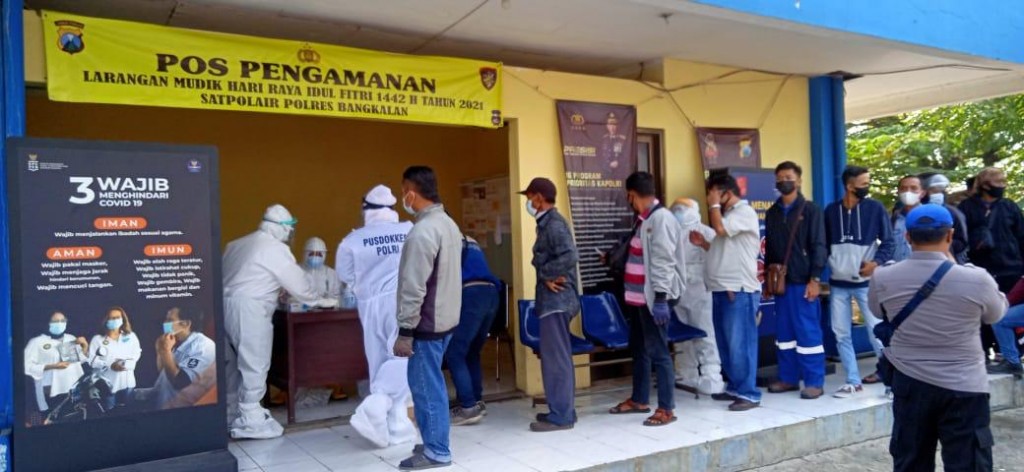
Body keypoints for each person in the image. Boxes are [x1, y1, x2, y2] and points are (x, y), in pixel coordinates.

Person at [869, 204, 1005, 471]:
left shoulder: (883, 276)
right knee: (969, 463)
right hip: (964, 385)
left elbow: (877, 310)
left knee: (911, 461)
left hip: (910, 383)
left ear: (907, 237)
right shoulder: (977, 279)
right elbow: (996, 314)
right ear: (950, 236)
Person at [222, 204, 338, 439]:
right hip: (251, 309)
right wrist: (319, 301)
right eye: (289, 229)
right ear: (282, 229)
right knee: (255, 363)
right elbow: (300, 286)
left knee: (232, 365)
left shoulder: (235, 245)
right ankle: (250, 418)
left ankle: (231, 414)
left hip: (224, 307)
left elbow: (246, 276)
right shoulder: (276, 249)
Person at [337, 185, 417, 448]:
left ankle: (395, 422)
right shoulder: (408, 230)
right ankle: (376, 406)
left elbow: (345, 275)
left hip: (370, 304)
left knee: (380, 359)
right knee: (404, 355)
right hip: (404, 300)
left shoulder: (353, 240)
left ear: (366, 210)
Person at [394, 166, 462, 470]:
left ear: (411, 191)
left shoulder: (422, 232)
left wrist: (405, 329)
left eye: (403, 191)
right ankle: (431, 441)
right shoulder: (448, 224)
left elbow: (414, 286)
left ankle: (437, 451)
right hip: (446, 319)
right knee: (430, 384)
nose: (402, 198)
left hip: (427, 323)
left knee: (425, 387)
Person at [608, 172, 684, 426]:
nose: (628, 200)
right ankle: (640, 399)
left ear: (632, 194)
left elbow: (663, 261)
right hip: (639, 301)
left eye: (628, 196)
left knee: (659, 352)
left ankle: (666, 408)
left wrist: (661, 298)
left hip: (654, 301)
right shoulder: (645, 219)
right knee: (640, 349)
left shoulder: (660, 219)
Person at [690, 173, 762, 411]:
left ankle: (749, 393)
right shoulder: (728, 216)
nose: (709, 198)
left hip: (738, 290)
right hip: (722, 289)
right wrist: (703, 244)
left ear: (725, 193)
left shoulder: (743, 212)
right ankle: (735, 386)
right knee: (726, 343)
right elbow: (725, 247)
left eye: (712, 192)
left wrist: (713, 204)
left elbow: (720, 230)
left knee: (740, 343)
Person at [823, 166, 895, 397]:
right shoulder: (831, 211)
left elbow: (888, 242)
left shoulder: (874, 208)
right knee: (841, 333)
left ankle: (891, 383)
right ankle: (853, 380)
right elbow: (823, 245)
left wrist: (875, 263)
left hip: (866, 283)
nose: (867, 187)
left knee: (877, 332)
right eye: (863, 184)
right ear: (849, 185)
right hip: (837, 283)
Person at [521, 177, 581, 433]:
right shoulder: (546, 224)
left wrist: (546, 273)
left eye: (529, 197)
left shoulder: (554, 224)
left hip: (557, 301)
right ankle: (562, 408)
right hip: (554, 301)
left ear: (538, 198)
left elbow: (570, 255)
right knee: (556, 358)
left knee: (556, 359)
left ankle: (562, 415)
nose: (527, 202)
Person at [764, 161, 827, 400]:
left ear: (799, 181)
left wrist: (815, 279)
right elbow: (769, 248)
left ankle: (814, 381)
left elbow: (819, 246)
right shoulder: (772, 212)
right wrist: (768, 282)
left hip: (803, 282)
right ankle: (788, 378)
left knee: (808, 333)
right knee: (785, 335)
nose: (784, 181)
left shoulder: (811, 210)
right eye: (779, 178)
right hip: (780, 284)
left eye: (788, 177)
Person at [959, 167, 1024, 358]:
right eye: (999, 182)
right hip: (981, 270)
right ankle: (984, 350)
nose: (1002, 186)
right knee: (982, 313)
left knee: (1008, 312)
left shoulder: (1009, 206)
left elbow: (1021, 237)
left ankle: (1012, 353)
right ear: (985, 184)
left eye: (1004, 181)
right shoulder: (967, 207)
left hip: (1011, 268)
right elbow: (961, 239)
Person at [669, 197, 725, 395]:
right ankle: (686, 373)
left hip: (700, 290)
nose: (677, 211)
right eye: (676, 208)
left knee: (704, 333)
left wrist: (703, 245)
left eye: (682, 209)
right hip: (678, 290)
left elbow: (719, 257)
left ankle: (712, 376)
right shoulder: (671, 233)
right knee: (683, 336)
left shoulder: (706, 232)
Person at [446, 235, 501, 426]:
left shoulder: (445, 239)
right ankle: (476, 402)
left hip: (471, 294)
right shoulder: (471, 240)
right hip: (491, 293)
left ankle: (468, 408)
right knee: (471, 352)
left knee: (454, 353)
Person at [140, 307, 216, 409]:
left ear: (186, 324)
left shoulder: (204, 345)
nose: (164, 323)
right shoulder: (178, 344)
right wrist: (160, 351)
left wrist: (165, 351)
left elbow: (181, 382)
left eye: (170, 320)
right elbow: (164, 372)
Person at [24, 312, 87, 421]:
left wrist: (85, 346)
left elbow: (78, 362)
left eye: (62, 321)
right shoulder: (37, 342)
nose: (59, 324)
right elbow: (27, 366)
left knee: (74, 420)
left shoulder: (70, 338)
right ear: (47, 323)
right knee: (54, 422)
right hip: (52, 392)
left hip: (73, 391)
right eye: (55, 321)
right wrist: (53, 366)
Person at [88, 307, 141, 409]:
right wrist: (110, 365)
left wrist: (127, 364)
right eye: (111, 318)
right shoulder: (97, 339)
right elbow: (92, 361)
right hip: (107, 387)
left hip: (128, 384)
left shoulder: (131, 336)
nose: (114, 320)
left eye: (117, 317)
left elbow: (137, 353)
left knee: (129, 415)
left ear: (123, 319)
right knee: (110, 416)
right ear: (105, 320)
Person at [919, 172, 969, 264]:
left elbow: (962, 242)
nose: (938, 194)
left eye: (940, 190)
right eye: (933, 190)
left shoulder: (954, 213)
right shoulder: (913, 212)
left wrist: (939, 244)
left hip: (946, 263)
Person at [891, 175, 926, 263]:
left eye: (913, 188)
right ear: (898, 192)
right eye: (903, 188)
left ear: (922, 193)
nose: (908, 192)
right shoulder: (894, 219)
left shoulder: (930, 217)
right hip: (895, 271)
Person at [300, 237, 341, 302]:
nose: (315, 257)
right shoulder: (296, 271)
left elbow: (337, 297)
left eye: (319, 254)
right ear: (305, 254)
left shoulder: (332, 274)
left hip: (326, 311)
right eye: (312, 254)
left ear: (324, 255)